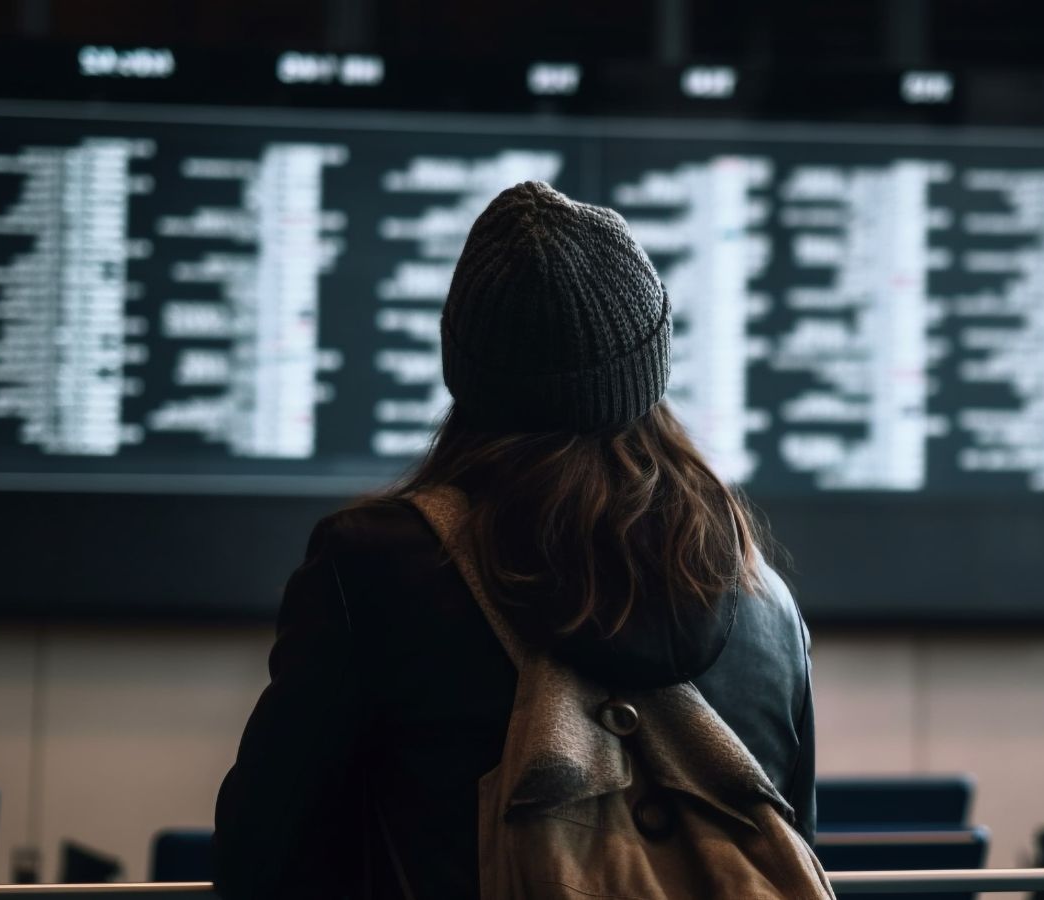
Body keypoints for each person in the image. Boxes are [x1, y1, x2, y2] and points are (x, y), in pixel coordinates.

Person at [213, 181, 815, 898]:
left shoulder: (374, 566)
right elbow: (794, 844)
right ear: (650, 366)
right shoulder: (765, 601)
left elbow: (263, 856)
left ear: (467, 368)